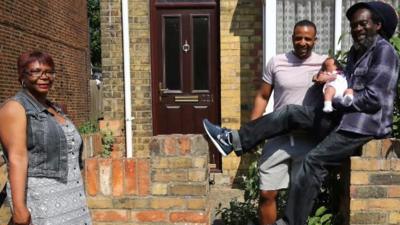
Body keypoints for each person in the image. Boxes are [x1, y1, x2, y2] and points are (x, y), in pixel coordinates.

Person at [203, 1, 399, 225]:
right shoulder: (357, 52)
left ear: (377, 25)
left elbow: (374, 99)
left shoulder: (385, 52)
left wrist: (338, 97)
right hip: (342, 119)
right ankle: (232, 140)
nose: (357, 30)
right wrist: (330, 82)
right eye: (354, 26)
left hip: (362, 126)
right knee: (289, 113)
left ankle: (290, 222)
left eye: (363, 24)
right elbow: (344, 82)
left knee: (313, 160)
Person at [0, 51, 92, 225]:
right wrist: (19, 208)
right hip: (42, 198)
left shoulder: (56, 109)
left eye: (49, 72)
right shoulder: (14, 108)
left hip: (72, 195)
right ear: (22, 76)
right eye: (35, 72)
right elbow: (17, 158)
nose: (44, 77)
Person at [249, 20, 326, 225]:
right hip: (277, 138)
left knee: (300, 199)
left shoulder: (324, 63)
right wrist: (253, 130)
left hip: (308, 140)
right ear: (292, 38)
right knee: (267, 193)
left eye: (308, 39)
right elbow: (263, 96)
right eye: (298, 38)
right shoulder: (277, 62)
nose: (302, 42)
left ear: (315, 40)